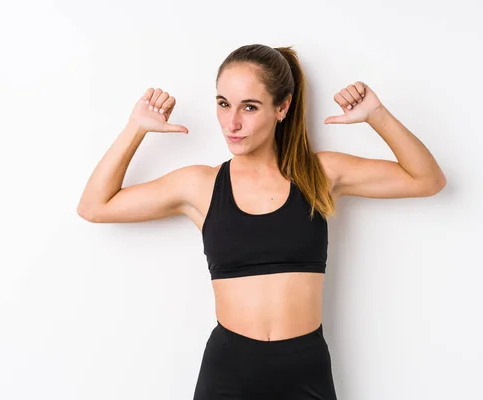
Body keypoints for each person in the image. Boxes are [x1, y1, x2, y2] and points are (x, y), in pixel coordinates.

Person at [77, 44, 446, 399]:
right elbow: (95, 206)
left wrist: (377, 115)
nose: (232, 123)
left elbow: (427, 180)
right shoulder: (200, 185)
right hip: (228, 373)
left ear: (282, 107)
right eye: (223, 104)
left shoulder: (319, 174)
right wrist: (135, 128)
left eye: (249, 107)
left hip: (306, 371)